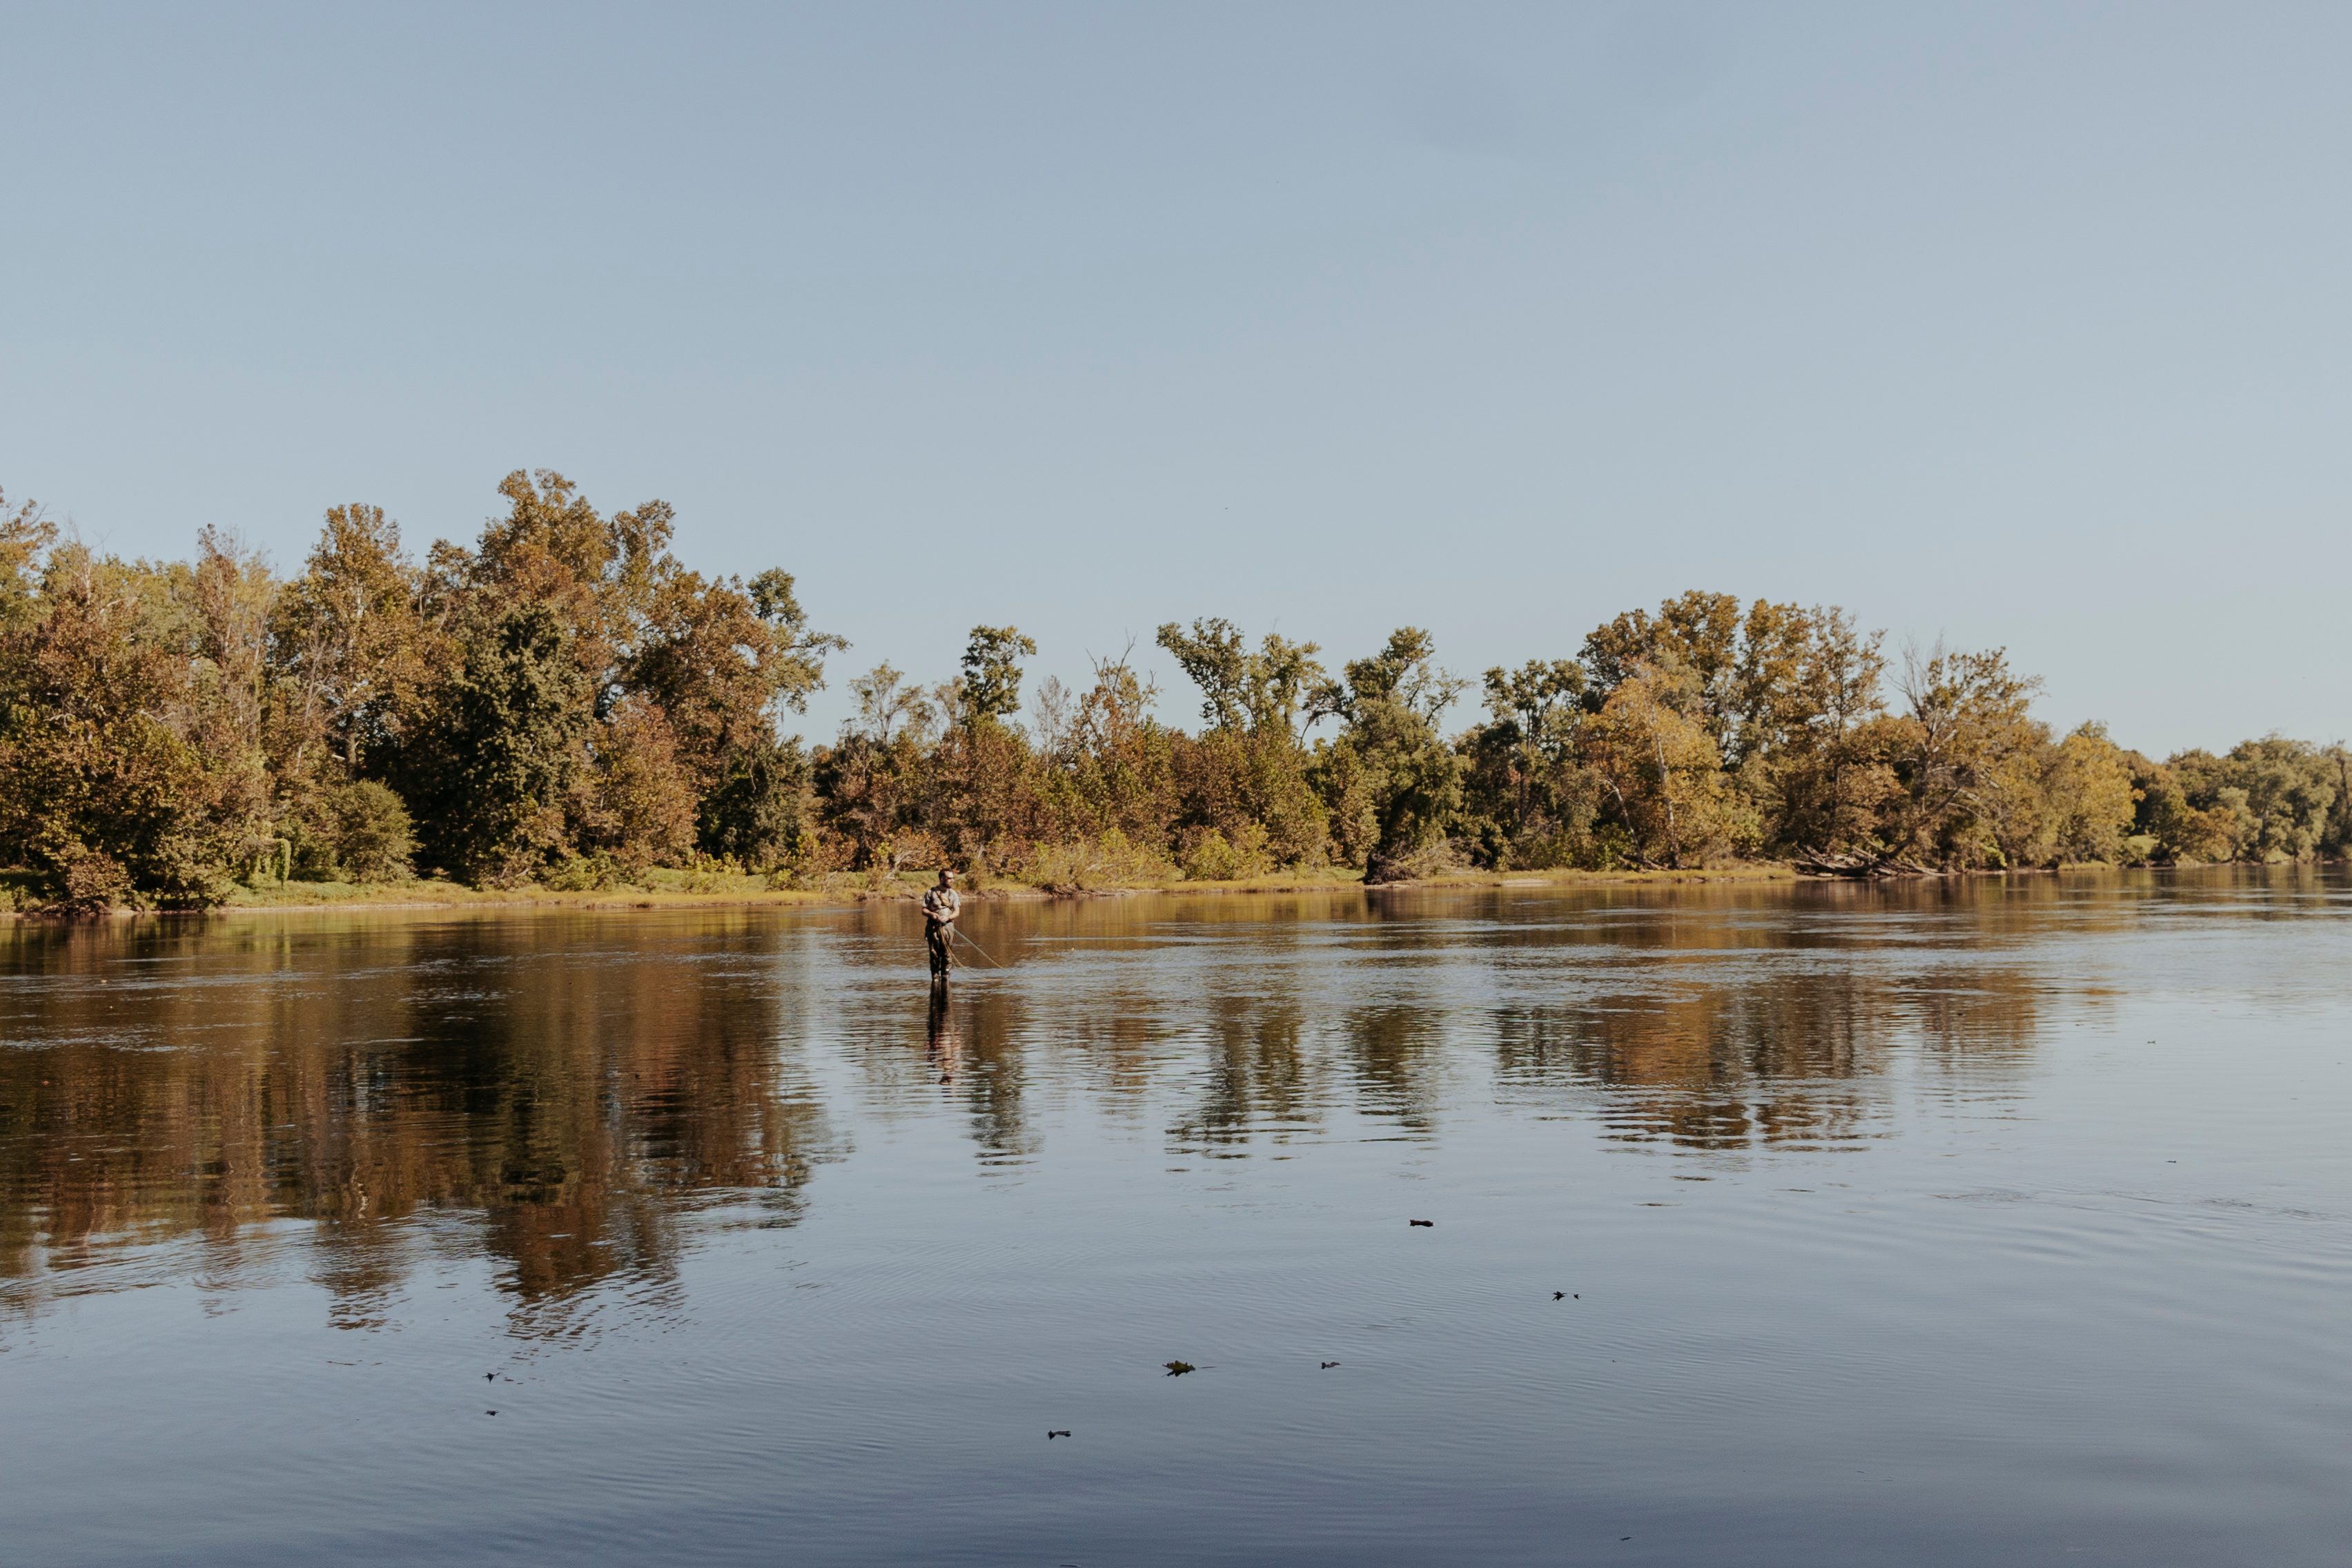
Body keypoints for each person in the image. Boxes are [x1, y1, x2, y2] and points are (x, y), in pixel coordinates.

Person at [921, 868, 961, 981]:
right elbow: (924, 910)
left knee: (947, 952)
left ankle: (946, 975)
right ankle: (935, 976)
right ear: (942, 879)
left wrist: (948, 917)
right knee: (934, 952)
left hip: (948, 927)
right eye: (950, 878)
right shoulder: (931, 892)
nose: (952, 881)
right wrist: (932, 915)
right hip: (933, 928)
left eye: (953, 878)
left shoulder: (953, 894)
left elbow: (957, 912)